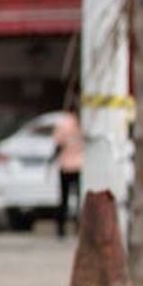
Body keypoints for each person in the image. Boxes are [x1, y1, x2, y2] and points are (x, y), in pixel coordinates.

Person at [51, 101, 85, 237]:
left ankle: (61, 228)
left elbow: (57, 144)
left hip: (66, 165)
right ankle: (78, 226)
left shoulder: (64, 123)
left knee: (64, 199)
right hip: (80, 165)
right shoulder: (84, 123)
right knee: (80, 199)